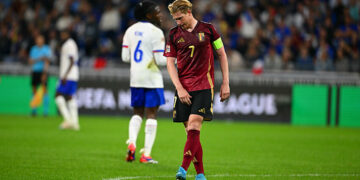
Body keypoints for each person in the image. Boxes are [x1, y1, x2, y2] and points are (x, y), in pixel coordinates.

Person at [164, 0, 230, 179]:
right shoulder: (173, 34)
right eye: (175, 19)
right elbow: (170, 62)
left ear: (188, 11)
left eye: (180, 18)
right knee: (191, 133)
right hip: (183, 88)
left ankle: (182, 170)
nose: (178, 22)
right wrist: (179, 88)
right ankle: (200, 174)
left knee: (194, 125)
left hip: (204, 86)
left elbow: (222, 54)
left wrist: (226, 82)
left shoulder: (209, 30)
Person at [121, 0, 166, 164]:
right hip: (152, 78)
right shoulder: (156, 32)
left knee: (137, 113)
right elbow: (161, 60)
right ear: (148, 15)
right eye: (156, 11)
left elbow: (125, 57)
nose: (159, 15)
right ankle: (146, 154)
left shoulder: (129, 31)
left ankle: (132, 142)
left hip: (136, 77)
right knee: (152, 114)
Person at [55, 30, 80, 131]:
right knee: (70, 97)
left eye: (63, 34)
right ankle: (75, 123)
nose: (62, 36)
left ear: (68, 34)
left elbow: (72, 60)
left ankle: (68, 120)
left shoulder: (69, 44)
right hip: (72, 75)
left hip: (68, 75)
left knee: (58, 96)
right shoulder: (69, 44)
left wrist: (65, 75)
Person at [28, 35, 53, 116]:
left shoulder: (46, 49)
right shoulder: (33, 49)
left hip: (43, 71)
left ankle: (45, 111)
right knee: (34, 90)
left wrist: (44, 73)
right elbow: (30, 61)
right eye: (38, 40)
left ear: (43, 41)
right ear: (36, 41)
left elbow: (47, 61)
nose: (39, 41)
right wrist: (40, 58)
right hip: (35, 71)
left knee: (45, 90)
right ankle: (34, 110)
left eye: (41, 40)